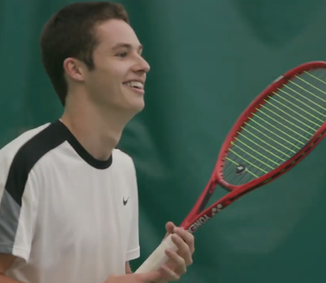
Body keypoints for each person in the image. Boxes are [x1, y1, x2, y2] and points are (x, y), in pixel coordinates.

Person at [0, 2, 195, 282]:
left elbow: (114, 275)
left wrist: (154, 274)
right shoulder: (24, 162)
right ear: (76, 69)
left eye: (139, 53)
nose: (143, 65)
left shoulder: (123, 169)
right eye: (122, 54)